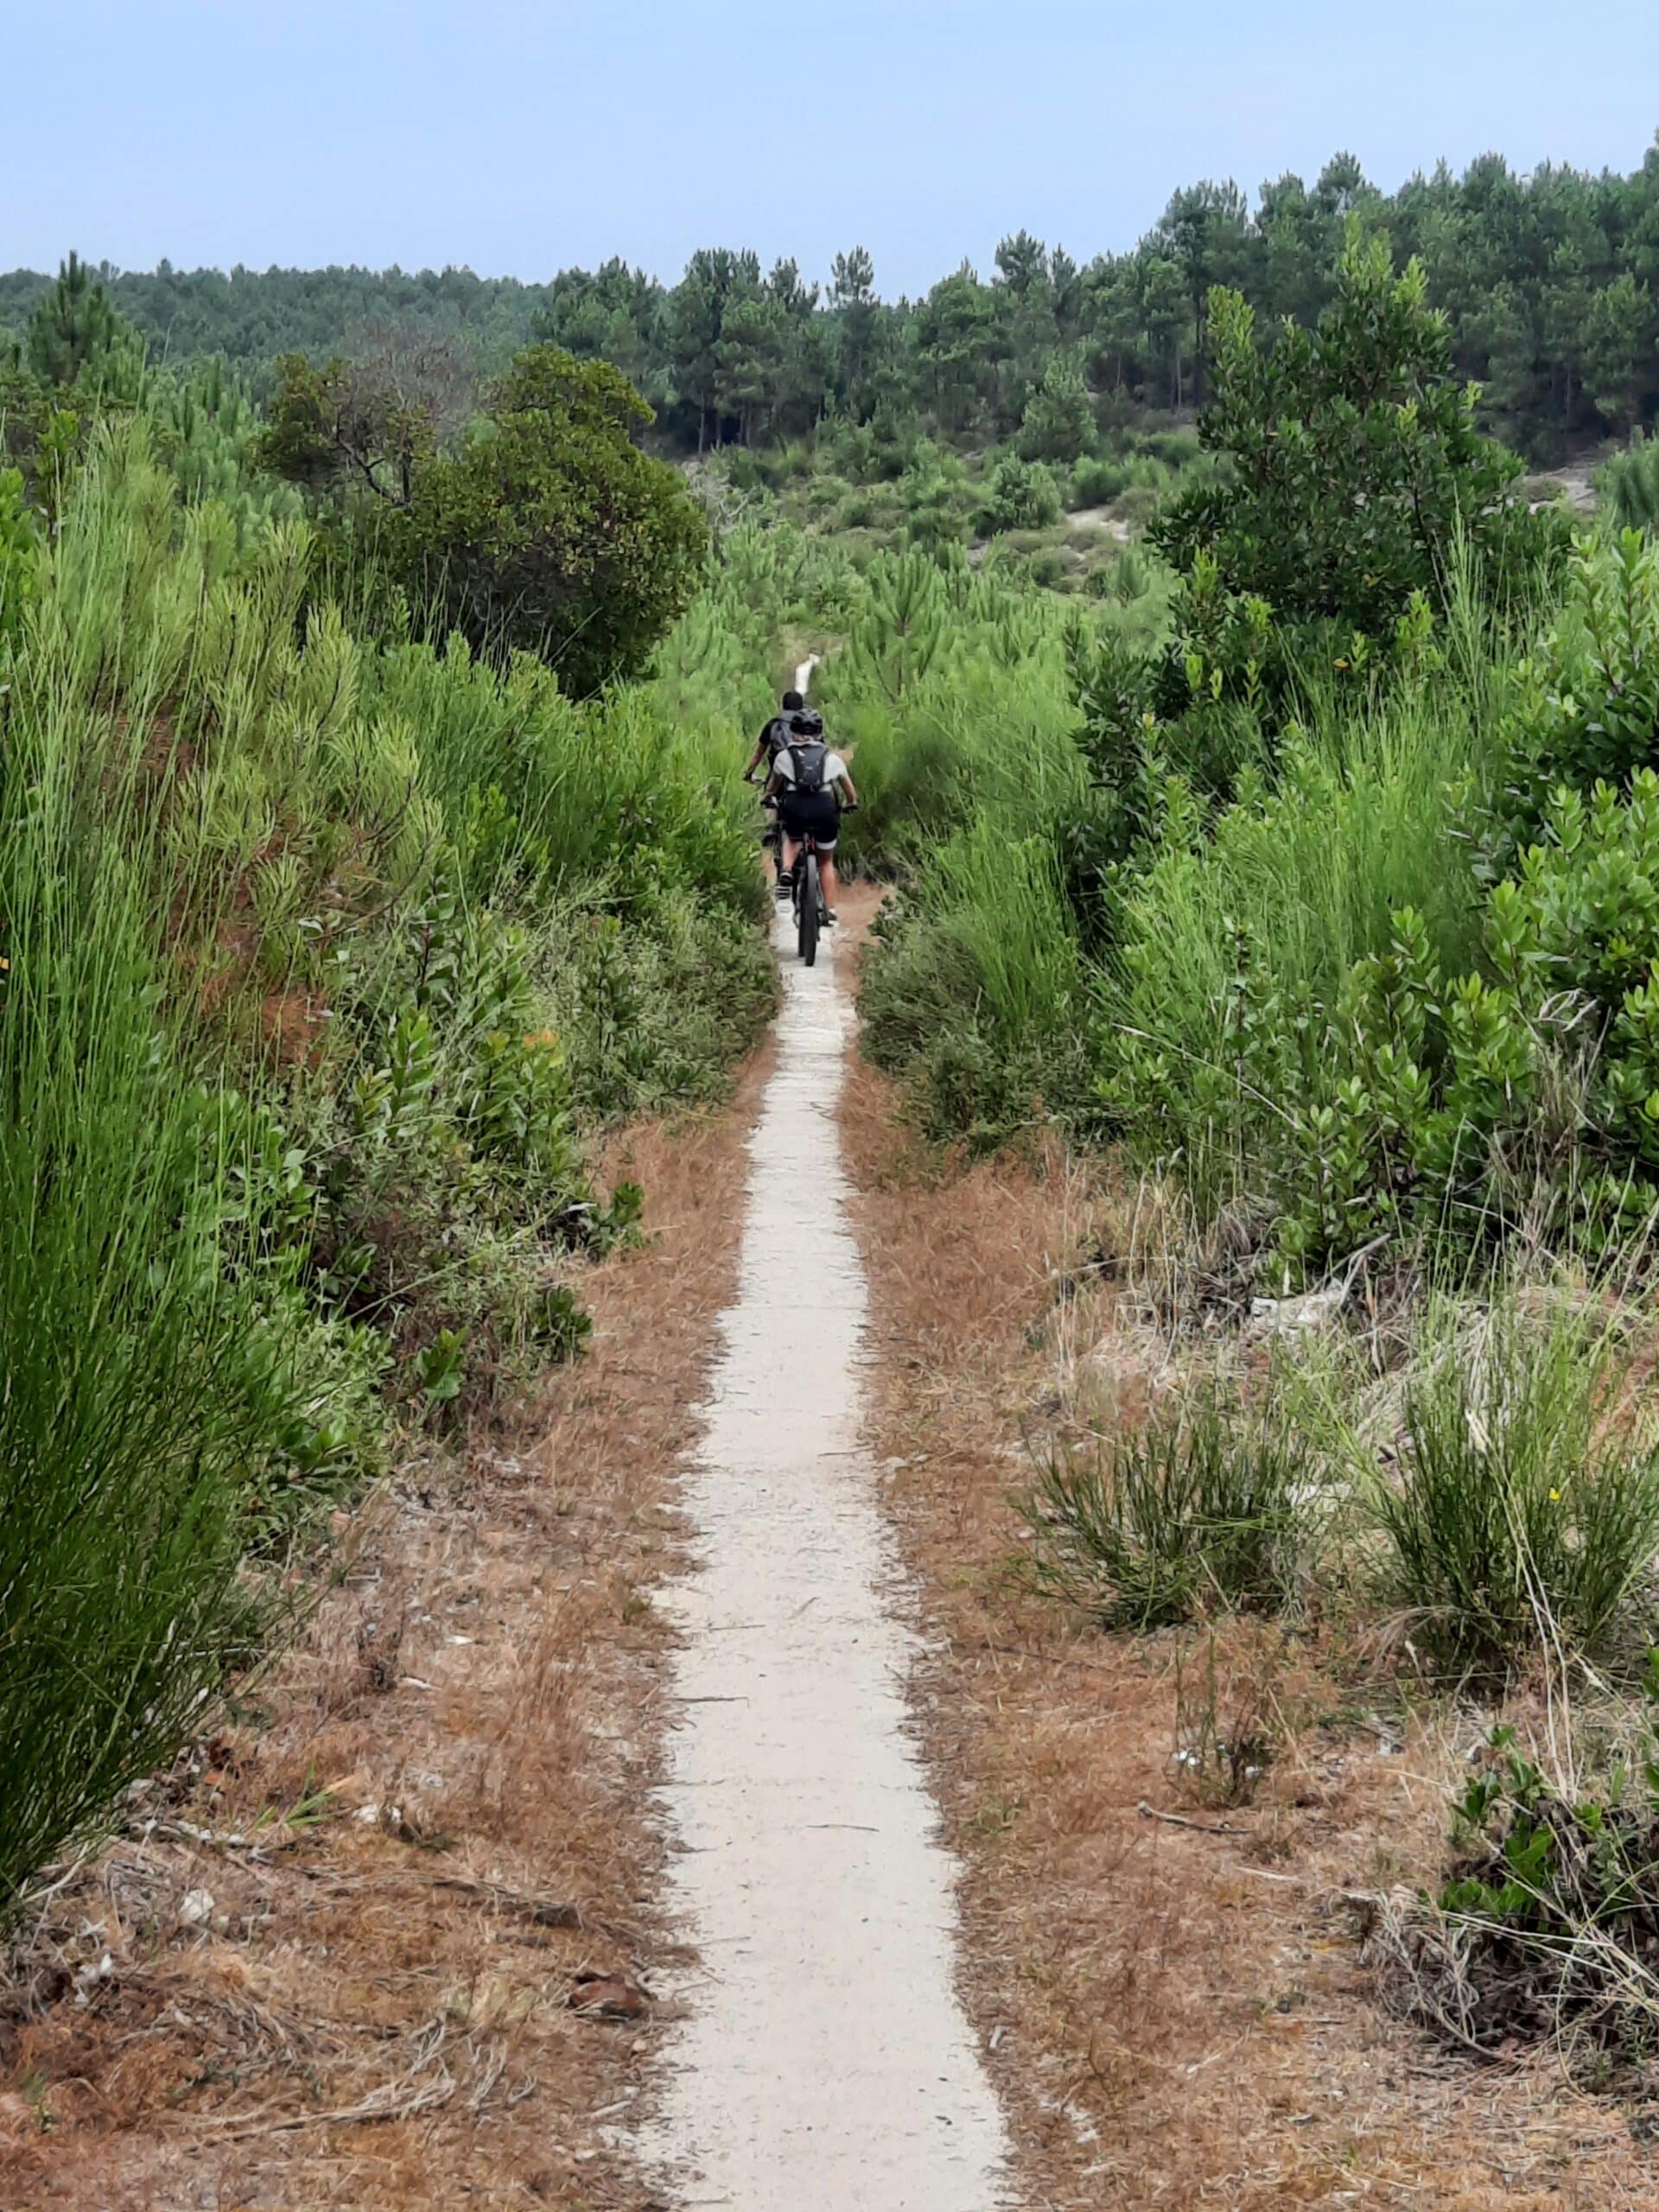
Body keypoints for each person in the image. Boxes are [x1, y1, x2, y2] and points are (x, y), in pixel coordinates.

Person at [766, 709, 858, 922]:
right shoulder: (831, 758)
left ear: (794, 731)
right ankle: (830, 909)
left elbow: (773, 786)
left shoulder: (784, 756)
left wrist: (768, 797)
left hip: (795, 808)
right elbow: (849, 790)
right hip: (825, 809)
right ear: (819, 733)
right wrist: (851, 803)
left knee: (791, 837)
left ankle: (787, 869)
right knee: (826, 861)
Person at [742, 688, 804, 784]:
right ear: (801, 708)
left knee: (770, 790)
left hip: (776, 776)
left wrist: (748, 774)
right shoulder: (809, 726)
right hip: (803, 779)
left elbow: (758, 754)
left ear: (783, 706)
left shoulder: (773, 724)